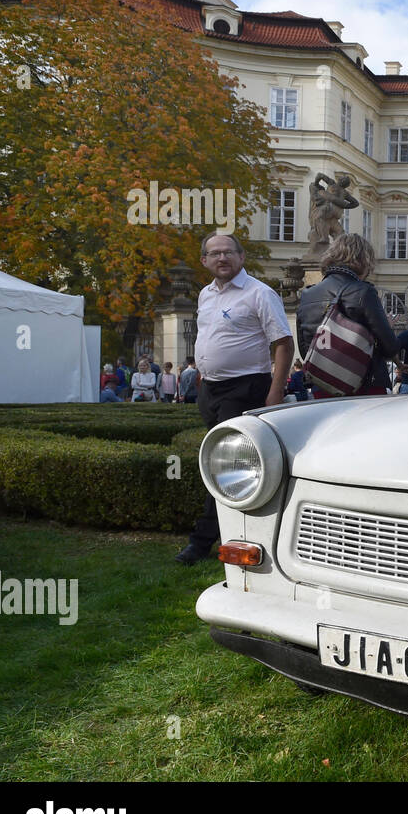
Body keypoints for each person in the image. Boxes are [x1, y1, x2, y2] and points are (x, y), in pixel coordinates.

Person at [176, 233, 293, 565]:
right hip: (210, 389)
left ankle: (201, 542)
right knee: (222, 466)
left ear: (242, 257)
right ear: (204, 261)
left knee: (226, 467)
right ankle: (230, 534)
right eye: (214, 253)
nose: (222, 258)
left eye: (228, 252)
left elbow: (284, 343)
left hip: (246, 388)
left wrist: (275, 391)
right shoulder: (204, 295)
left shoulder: (259, 293)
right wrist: (202, 373)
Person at [297, 233, 400, 398]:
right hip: (363, 388)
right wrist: (386, 327)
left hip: (321, 386)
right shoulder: (364, 292)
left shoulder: (308, 294)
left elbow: (305, 350)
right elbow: (391, 348)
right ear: (364, 260)